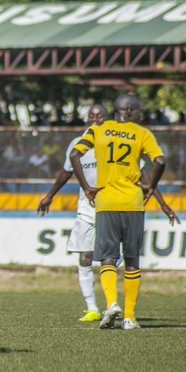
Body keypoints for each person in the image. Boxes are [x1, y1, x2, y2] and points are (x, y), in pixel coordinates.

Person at [70, 94, 166, 330]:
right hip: (133, 203)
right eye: (140, 111)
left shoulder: (97, 130)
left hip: (106, 202)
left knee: (107, 258)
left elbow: (75, 154)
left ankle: (112, 303)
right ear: (130, 111)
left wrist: (86, 188)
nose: (141, 115)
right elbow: (160, 161)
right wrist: (151, 186)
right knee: (132, 259)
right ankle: (130, 318)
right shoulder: (142, 133)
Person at [38, 104, 107, 322]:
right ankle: (92, 308)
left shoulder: (113, 142)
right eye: (91, 116)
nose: (94, 119)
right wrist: (50, 195)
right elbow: (66, 172)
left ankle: (112, 305)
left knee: (109, 259)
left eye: (99, 116)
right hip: (86, 208)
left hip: (111, 206)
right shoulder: (77, 144)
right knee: (85, 256)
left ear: (107, 119)